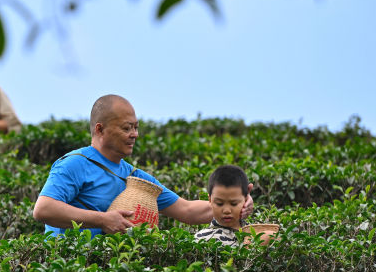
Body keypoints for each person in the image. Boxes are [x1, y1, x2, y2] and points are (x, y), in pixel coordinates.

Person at [32, 94, 253, 236]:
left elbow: (187, 210)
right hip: (68, 265)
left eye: (136, 128)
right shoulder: (74, 164)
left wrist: (236, 205)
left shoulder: (136, 178)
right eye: (127, 128)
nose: (134, 134)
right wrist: (102, 220)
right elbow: (44, 209)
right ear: (100, 129)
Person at [193, 165, 250, 246]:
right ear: (210, 200)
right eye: (219, 203)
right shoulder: (202, 239)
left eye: (234, 203)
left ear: (246, 199)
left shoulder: (255, 232)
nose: (226, 210)